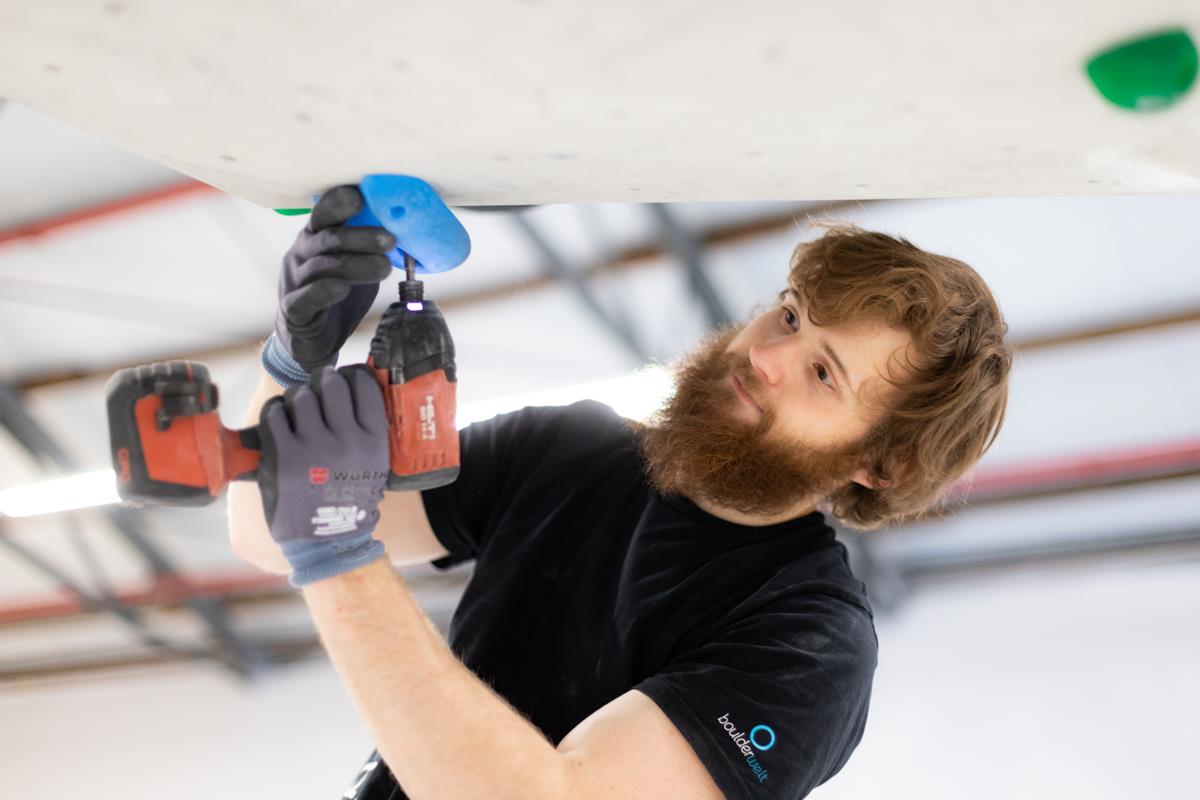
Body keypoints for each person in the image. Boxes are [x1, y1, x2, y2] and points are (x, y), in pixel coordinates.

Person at [227, 186, 1012, 799]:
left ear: (878, 466)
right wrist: (291, 365)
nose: (767, 354)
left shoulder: (809, 642)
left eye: (821, 372)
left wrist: (335, 549)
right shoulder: (566, 448)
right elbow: (265, 533)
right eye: (790, 314)